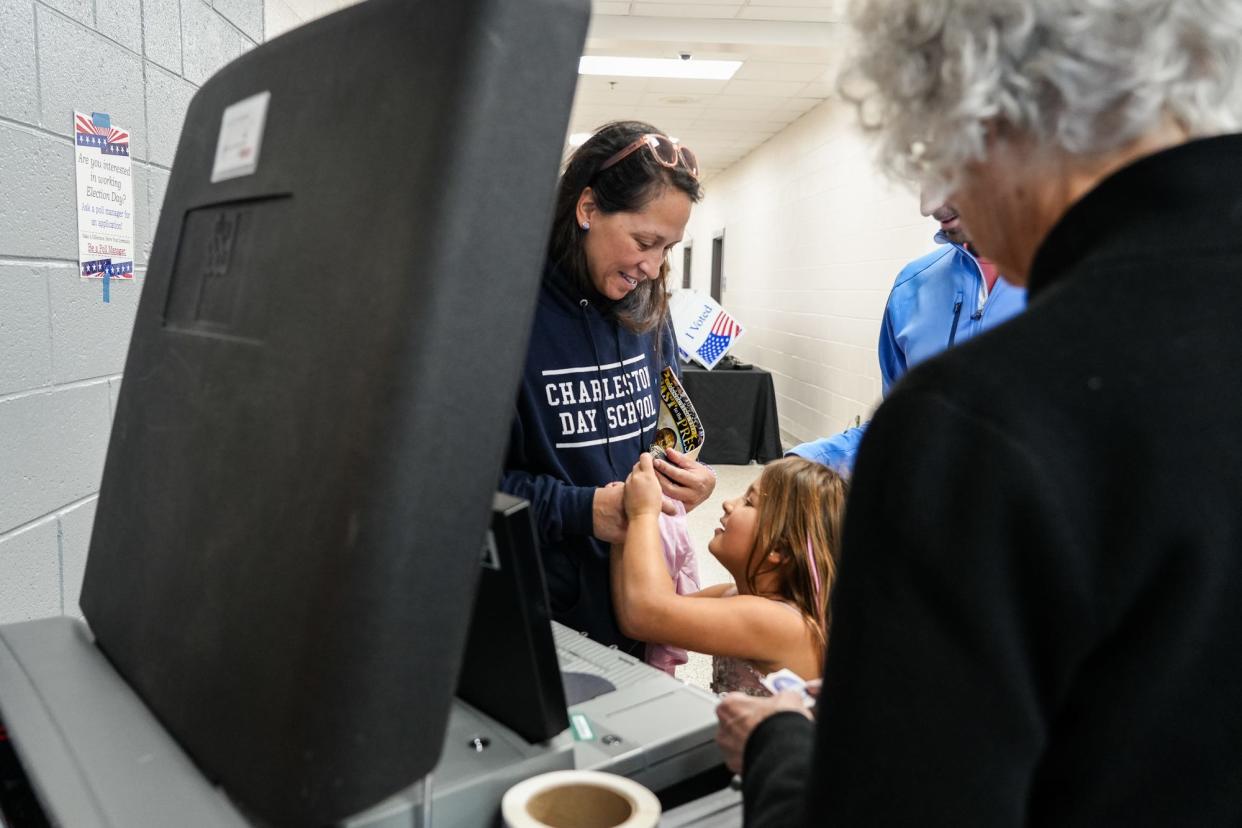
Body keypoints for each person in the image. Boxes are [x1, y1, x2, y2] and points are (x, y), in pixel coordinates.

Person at [720, 1, 1242, 825]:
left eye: (933, 145)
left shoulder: (978, 421)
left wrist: (781, 748)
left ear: (979, 107)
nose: (939, 204)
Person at [501, 122, 717, 655]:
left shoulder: (648, 306)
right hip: (540, 611)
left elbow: (665, 422)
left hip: (634, 595)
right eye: (644, 242)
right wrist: (582, 509)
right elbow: (457, 489)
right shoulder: (504, 315)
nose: (653, 267)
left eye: (667, 248)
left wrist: (684, 475)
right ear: (588, 208)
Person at [787, 195, 1025, 473]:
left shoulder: (1077, 280)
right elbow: (900, 429)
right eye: (922, 175)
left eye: (946, 172)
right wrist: (808, 460)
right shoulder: (912, 284)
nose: (929, 208)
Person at [612, 455, 847, 695]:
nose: (728, 503)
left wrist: (642, 514)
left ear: (779, 548)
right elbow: (634, 614)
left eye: (748, 502)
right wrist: (623, 529)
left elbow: (648, 614)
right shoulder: (730, 595)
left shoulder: (779, 622)